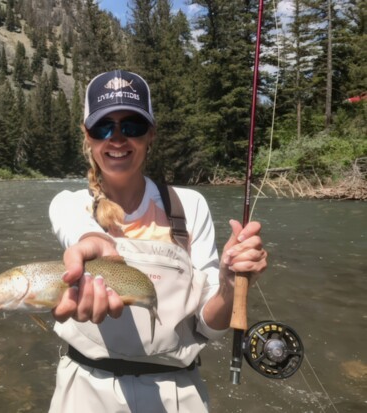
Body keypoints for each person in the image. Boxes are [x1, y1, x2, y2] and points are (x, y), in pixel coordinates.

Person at [47, 69, 267, 412]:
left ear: (151, 134)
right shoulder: (69, 204)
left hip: (178, 393)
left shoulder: (189, 206)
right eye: (103, 127)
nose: (117, 139)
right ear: (87, 136)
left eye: (131, 126)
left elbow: (209, 328)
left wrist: (227, 284)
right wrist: (93, 240)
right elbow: (78, 232)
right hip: (84, 391)